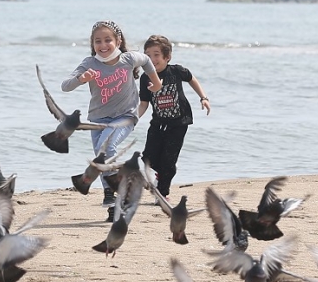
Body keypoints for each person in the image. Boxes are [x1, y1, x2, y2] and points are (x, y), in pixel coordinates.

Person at [62, 20, 162, 222]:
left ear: (118, 41)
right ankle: (113, 201)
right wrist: (81, 79)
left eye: (108, 40)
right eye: (98, 41)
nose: (103, 45)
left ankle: (114, 192)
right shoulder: (90, 63)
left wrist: (157, 82)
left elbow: (145, 60)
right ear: (92, 44)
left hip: (125, 116)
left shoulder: (128, 59)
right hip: (98, 119)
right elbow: (65, 86)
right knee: (101, 159)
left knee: (105, 149)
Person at [138, 35, 211, 201]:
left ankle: (162, 194)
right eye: (147, 55)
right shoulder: (145, 78)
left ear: (167, 57)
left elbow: (192, 78)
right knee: (148, 158)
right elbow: (144, 103)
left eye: (156, 54)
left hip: (179, 123)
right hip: (158, 123)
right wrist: (133, 118)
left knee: (169, 162)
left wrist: (203, 98)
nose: (152, 59)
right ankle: (162, 173)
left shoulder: (176, 71)